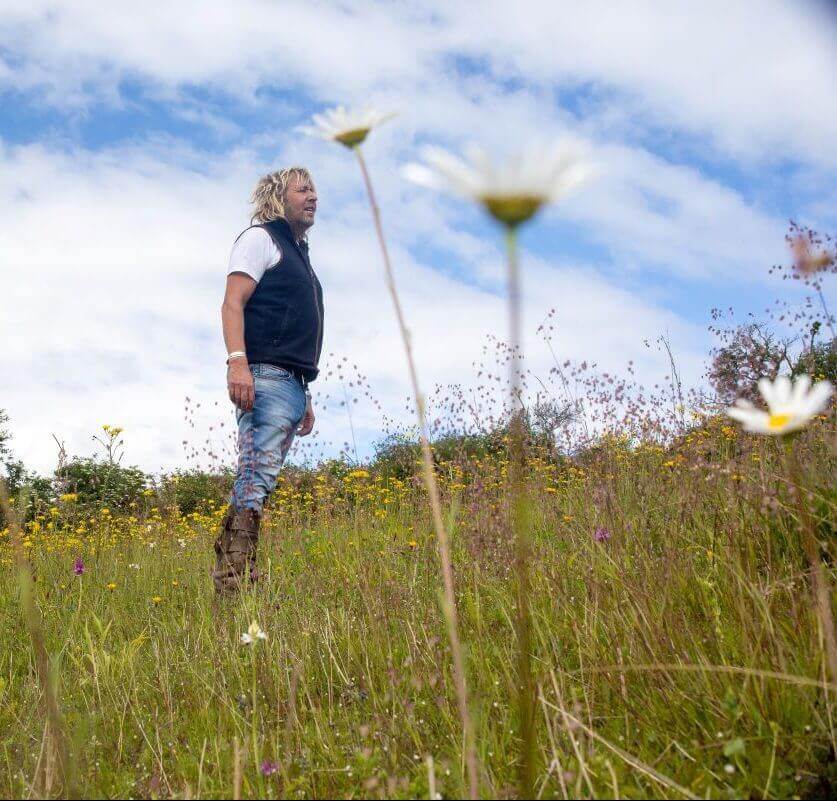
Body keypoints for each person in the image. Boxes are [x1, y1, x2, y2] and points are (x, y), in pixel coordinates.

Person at [213, 167, 324, 595]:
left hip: (291, 384)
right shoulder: (260, 239)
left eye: (314, 189)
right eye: (303, 189)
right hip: (265, 377)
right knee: (254, 480)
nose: (313, 196)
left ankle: (237, 579)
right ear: (279, 198)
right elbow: (232, 303)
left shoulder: (301, 256)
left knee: (259, 481)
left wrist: (304, 392)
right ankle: (232, 588)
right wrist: (237, 362)